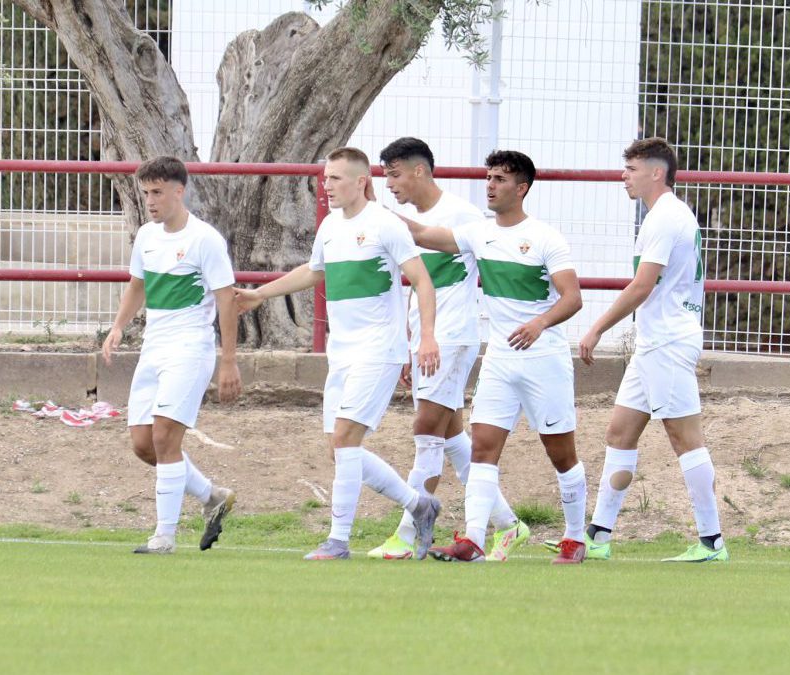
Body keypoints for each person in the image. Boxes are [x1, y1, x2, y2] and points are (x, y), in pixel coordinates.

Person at [236, 146, 442, 561]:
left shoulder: (385, 224)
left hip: (379, 350)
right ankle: (420, 504)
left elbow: (422, 281)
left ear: (360, 181)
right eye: (325, 178)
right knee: (341, 449)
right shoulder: (330, 225)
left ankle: (338, 540)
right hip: (342, 352)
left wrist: (427, 338)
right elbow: (315, 271)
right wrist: (260, 294)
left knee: (347, 439)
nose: (326, 186)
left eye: (335, 178)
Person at [402, 150, 589, 565]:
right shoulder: (477, 232)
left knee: (561, 455)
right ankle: (473, 540)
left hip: (544, 361)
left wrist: (539, 324)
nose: (489, 185)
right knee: (483, 449)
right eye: (488, 177)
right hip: (501, 360)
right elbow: (424, 235)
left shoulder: (545, 237)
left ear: (521, 189)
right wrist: (374, 214)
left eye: (500, 179)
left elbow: (573, 297)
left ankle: (576, 538)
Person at [366, 137, 529, 562]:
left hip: (452, 338)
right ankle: (510, 525)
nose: (390, 185)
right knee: (453, 438)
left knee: (425, 431)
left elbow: (430, 243)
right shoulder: (413, 220)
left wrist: (363, 200)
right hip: (427, 341)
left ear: (420, 171)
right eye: (384, 178)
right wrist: (412, 339)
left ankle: (408, 530)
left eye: (395, 175)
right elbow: (416, 283)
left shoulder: (461, 215)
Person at [576, 137, 727, 563]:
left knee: (685, 438)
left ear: (656, 173)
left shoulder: (665, 217)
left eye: (632, 169)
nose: (624, 176)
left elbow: (643, 285)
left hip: (667, 341)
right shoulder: (666, 215)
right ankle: (598, 536)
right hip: (653, 342)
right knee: (620, 432)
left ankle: (712, 541)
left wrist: (597, 329)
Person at [102, 156, 243, 555]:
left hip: (189, 349)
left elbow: (227, 300)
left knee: (165, 437)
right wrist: (117, 326)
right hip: (154, 348)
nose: (150, 200)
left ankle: (164, 537)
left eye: (158, 192)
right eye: (146, 192)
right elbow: (137, 286)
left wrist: (228, 360)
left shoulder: (205, 239)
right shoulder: (147, 236)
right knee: (144, 445)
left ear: (179, 192)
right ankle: (212, 495)